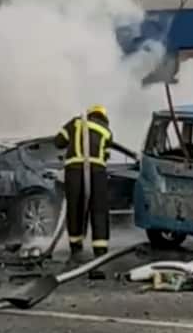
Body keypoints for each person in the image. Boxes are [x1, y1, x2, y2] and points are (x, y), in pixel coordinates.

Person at [54, 105, 137, 259]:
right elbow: (105, 155)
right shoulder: (106, 132)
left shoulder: (76, 123)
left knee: (75, 208)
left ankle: (76, 247)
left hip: (74, 171)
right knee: (99, 209)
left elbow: (58, 142)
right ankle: (100, 250)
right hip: (98, 173)